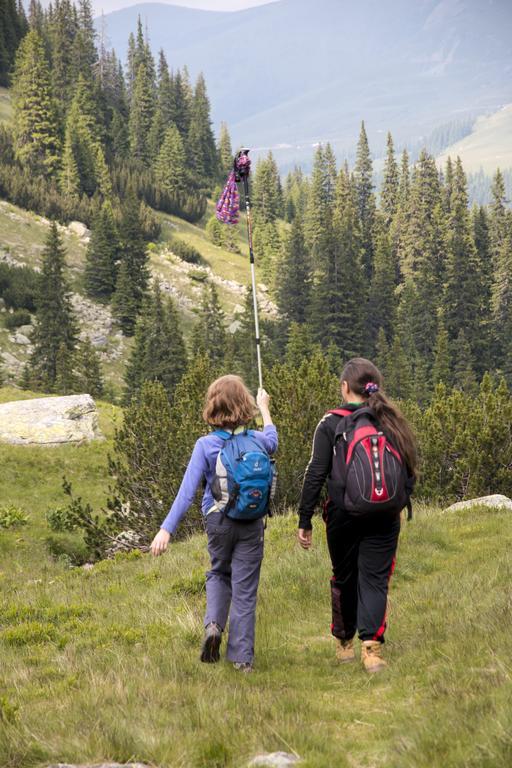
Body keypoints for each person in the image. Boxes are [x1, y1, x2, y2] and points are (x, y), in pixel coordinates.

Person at [151, 375, 278, 673]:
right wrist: (265, 408)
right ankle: (242, 659)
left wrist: (166, 529)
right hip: (252, 523)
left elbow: (186, 492)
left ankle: (213, 627)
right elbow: (273, 441)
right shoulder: (257, 439)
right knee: (244, 589)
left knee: (219, 573)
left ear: (212, 407)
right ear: (244, 404)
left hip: (218, 521)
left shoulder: (205, 445)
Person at [297, 358, 417, 673]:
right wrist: (400, 502)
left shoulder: (330, 423)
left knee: (344, 576)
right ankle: (372, 650)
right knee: (375, 579)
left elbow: (315, 473)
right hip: (385, 514)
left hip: (341, 515)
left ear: (345, 388)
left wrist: (304, 519)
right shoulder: (390, 419)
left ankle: (344, 643)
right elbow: (409, 467)